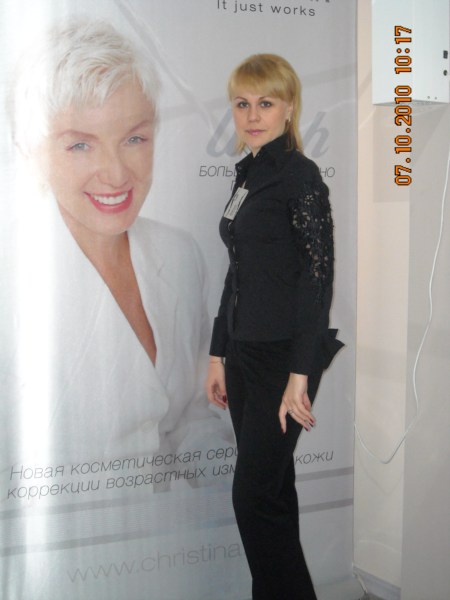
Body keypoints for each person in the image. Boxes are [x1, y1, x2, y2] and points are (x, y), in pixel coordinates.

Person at [2, 18, 225, 470]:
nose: (117, 173)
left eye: (133, 139)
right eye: (80, 145)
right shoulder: (11, 281)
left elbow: (194, 416)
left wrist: (220, 489)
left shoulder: (181, 255)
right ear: (30, 150)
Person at [205, 54, 344, 599]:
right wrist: (218, 353)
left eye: (265, 103)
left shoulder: (299, 176)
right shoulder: (249, 172)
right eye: (242, 104)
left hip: (284, 359)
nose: (252, 115)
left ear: (288, 107)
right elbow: (237, 270)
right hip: (244, 356)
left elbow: (317, 279)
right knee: (274, 494)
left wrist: (300, 374)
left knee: (255, 498)